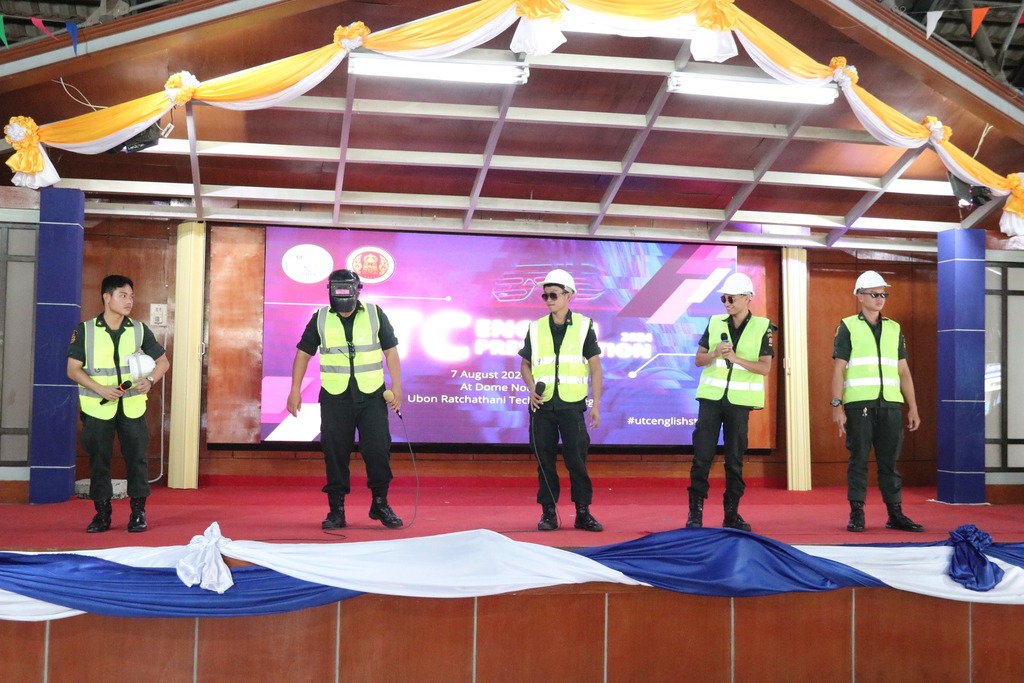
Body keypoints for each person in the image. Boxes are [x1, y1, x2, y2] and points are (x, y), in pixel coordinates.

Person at [287, 268, 404, 530]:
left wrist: (397, 386)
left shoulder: (375, 313)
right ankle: (336, 510)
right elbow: (303, 354)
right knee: (335, 452)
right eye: (336, 289)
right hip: (335, 396)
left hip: (372, 395)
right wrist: (295, 389)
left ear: (357, 290)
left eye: (346, 289)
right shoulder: (320, 318)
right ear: (329, 291)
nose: (342, 295)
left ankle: (380, 503)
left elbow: (391, 351)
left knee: (378, 449)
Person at [67, 275, 170, 533]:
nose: (129, 301)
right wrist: (100, 388)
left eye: (131, 296)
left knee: (137, 459)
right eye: (123, 295)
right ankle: (102, 514)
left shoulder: (139, 329)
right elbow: (72, 369)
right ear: (107, 297)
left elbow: (163, 362)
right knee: (99, 460)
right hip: (97, 407)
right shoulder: (85, 330)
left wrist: (150, 380)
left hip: (132, 406)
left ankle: (138, 513)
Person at [832, 270, 923, 533]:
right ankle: (857, 513)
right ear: (860, 296)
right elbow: (838, 369)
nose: (880, 298)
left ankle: (895, 514)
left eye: (883, 294)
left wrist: (913, 407)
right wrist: (836, 405)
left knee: (889, 463)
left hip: (891, 405)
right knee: (858, 460)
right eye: (874, 294)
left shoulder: (894, 328)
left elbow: (903, 370)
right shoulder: (848, 326)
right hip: (859, 404)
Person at [687, 272, 774, 532]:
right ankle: (695, 514)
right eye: (723, 298)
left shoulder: (762, 326)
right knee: (702, 456)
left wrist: (736, 359)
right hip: (711, 400)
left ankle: (732, 513)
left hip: (739, 403)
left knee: (734, 459)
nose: (726, 303)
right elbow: (698, 360)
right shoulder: (715, 322)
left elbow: (765, 367)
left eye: (731, 298)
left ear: (747, 298)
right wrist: (715, 353)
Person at [519, 268, 604, 532]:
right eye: (545, 295)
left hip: (571, 405)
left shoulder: (584, 325)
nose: (548, 300)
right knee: (544, 461)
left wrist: (596, 405)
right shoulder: (535, 328)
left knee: (576, 460)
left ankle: (582, 513)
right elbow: (525, 364)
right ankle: (548, 513)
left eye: (554, 295)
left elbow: (595, 367)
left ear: (568, 295)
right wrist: (530, 387)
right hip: (542, 406)